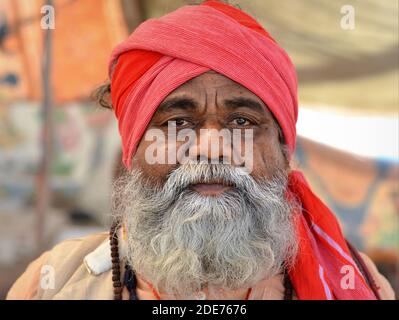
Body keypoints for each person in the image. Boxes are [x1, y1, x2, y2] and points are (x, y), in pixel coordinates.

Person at [7, 0, 395, 300]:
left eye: (242, 121)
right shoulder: (55, 280)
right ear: (134, 149)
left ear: (282, 150)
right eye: (177, 123)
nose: (211, 148)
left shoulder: (356, 279)